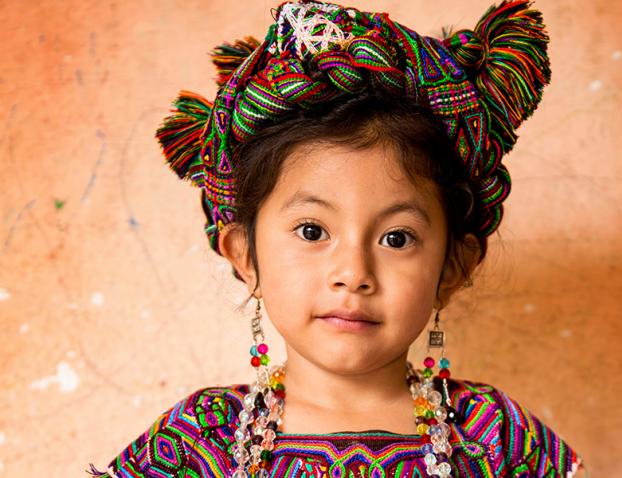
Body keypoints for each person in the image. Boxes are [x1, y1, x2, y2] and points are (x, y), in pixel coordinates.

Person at [88, 0, 586, 476]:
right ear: (245, 254)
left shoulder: (494, 437)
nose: (353, 274)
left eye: (396, 238)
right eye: (312, 231)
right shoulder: (196, 441)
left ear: (453, 266)